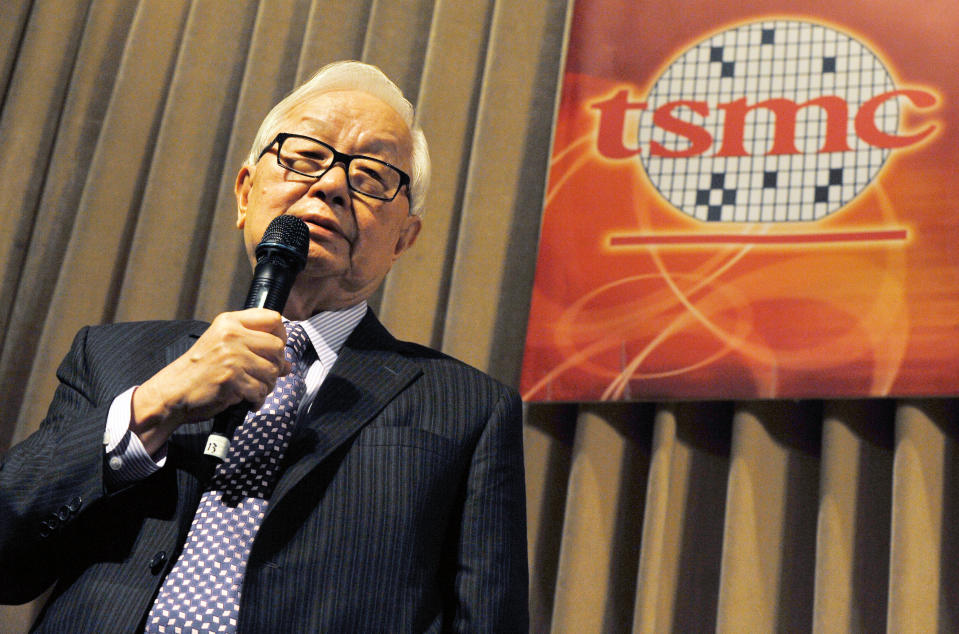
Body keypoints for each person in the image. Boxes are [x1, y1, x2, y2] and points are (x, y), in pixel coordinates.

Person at [0, 61, 528, 632]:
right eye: (305, 157)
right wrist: (152, 406)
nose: (330, 185)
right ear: (245, 193)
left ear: (403, 238)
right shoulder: (110, 358)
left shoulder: (471, 408)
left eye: (372, 177)